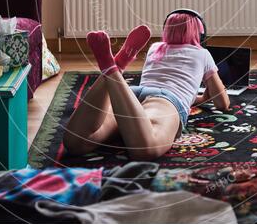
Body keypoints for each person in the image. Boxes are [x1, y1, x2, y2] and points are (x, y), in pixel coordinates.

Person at [63, 12, 230, 161]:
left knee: (78, 143)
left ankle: (115, 67)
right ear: (200, 35)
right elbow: (222, 103)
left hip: (132, 95)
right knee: (146, 149)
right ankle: (113, 67)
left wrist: (200, 99)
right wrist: (212, 92)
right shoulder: (203, 53)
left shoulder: (155, 48)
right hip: (164, 100)